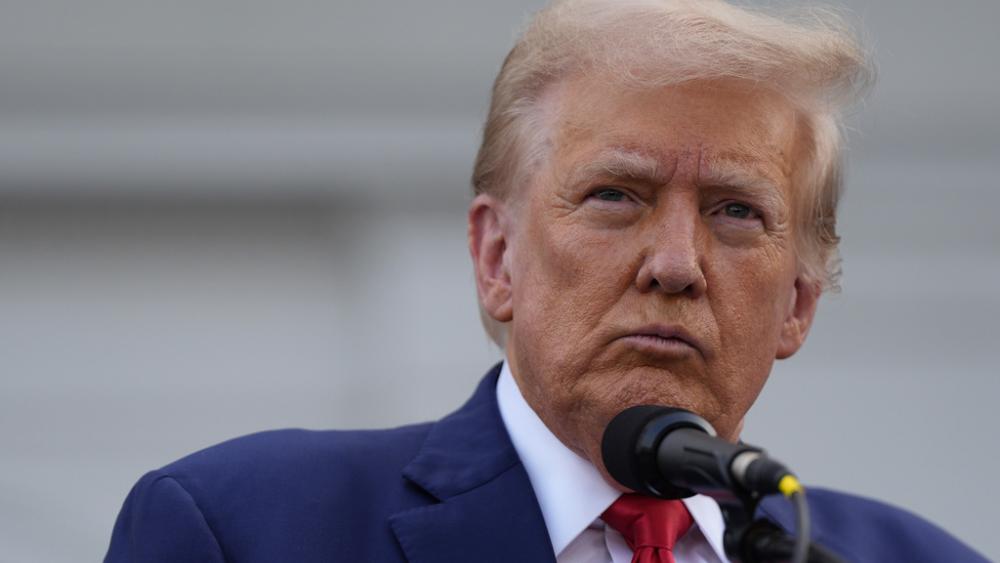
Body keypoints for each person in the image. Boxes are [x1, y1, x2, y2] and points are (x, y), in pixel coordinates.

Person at [105, 0, 987, 561]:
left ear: (797, 302)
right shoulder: (246, 529)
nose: (675, 263)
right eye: (615, 195)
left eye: (734, 212)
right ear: (497, 259)